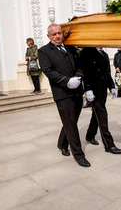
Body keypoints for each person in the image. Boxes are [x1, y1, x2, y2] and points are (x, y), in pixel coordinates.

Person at [38, 23, 90, 168]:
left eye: (59, 33)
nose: (57, 36)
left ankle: (62, 144)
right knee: (71, 124)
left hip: (77, 90)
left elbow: (80, 65)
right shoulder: (44, 51)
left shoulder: (70, 48)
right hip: (62, 93)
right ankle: (79, 155)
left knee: (71, 121)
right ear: (48, 36)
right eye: (54, 34)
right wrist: (67, 81)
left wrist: (78, 78)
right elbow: (48, 70)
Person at [80, 47, 121, 154]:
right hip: (93, 90)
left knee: (96, 115)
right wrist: (87, 88)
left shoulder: (104, 53)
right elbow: (84, 71)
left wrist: (112, 86)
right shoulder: (87, 51)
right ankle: (109, 144)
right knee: (102, 115)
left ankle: (90, 136)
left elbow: (107, 73)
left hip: (102, 89)